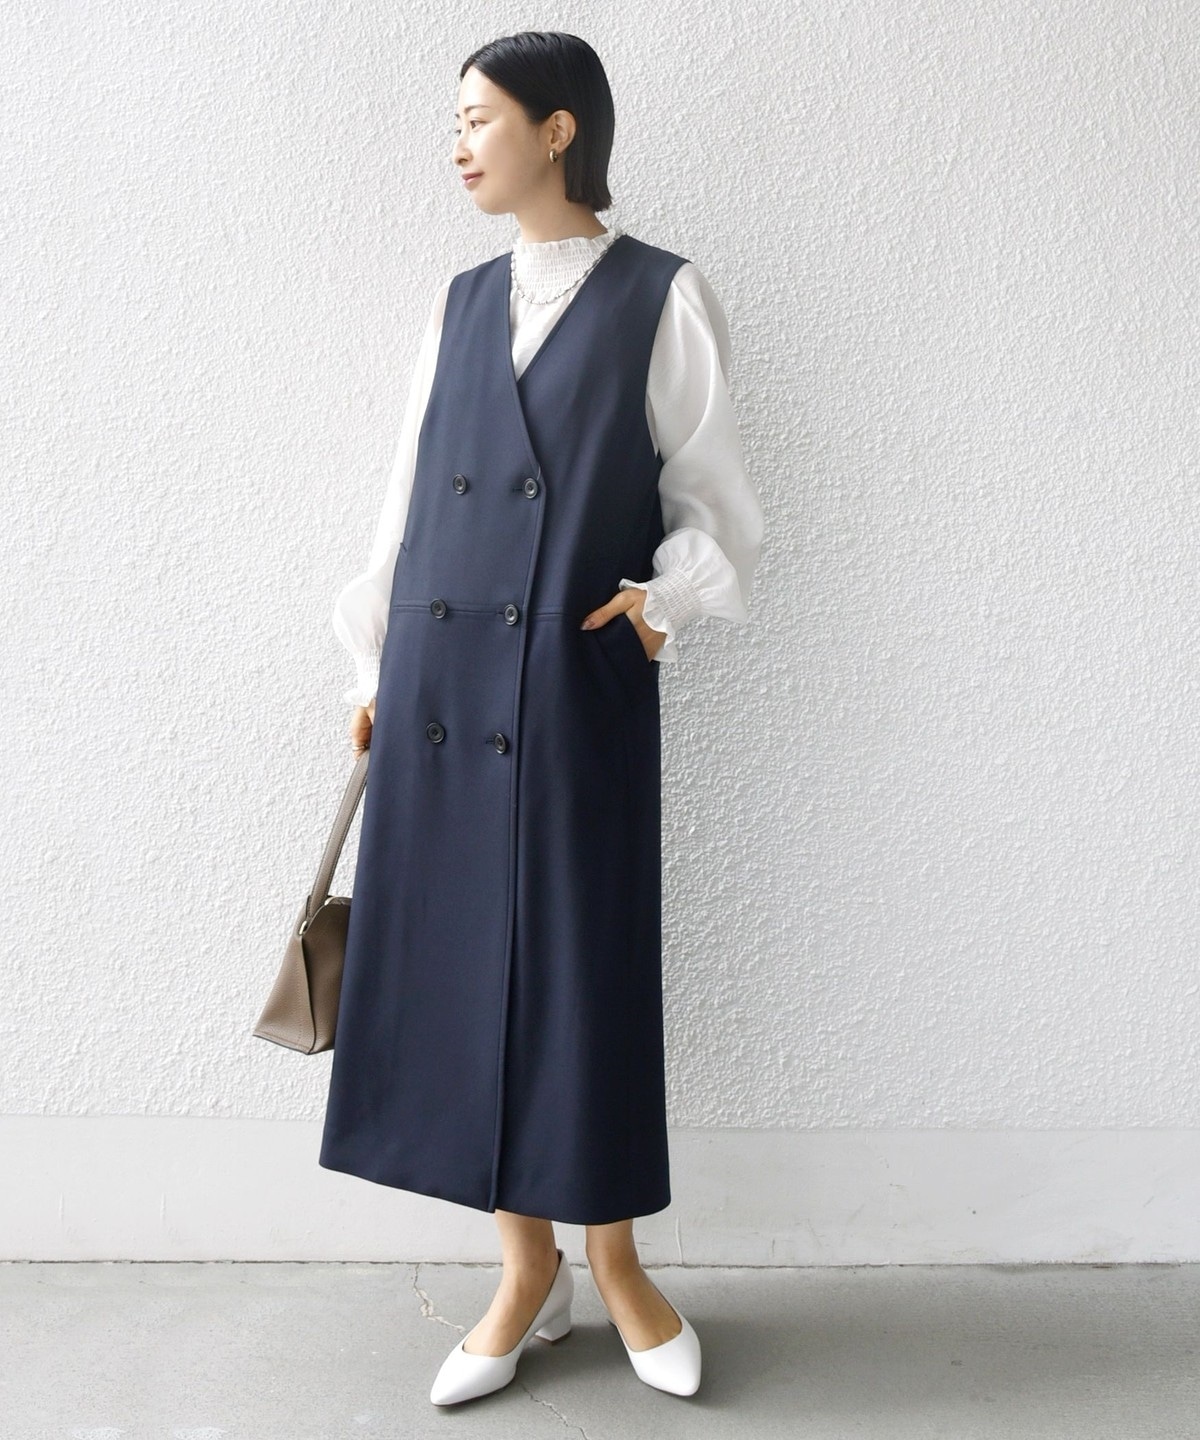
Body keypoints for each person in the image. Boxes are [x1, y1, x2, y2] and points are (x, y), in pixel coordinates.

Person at [317, 30, 764, 1407]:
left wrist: (661, 606)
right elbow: (406, 504)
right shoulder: (456, 304)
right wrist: (374, 670)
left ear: (559, 129)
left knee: (583, 967)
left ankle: (615, 1263)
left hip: (575, 687)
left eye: (480, 118)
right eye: (456, 122)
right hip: (442, 690)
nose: (459, 144)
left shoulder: (660, 294)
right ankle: (525, 1273)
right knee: (460, 974)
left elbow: (715, 498)